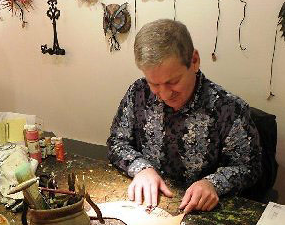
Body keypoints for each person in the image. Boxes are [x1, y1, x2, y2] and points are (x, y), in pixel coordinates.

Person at [107, 19, 262, 214]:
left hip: (200, 211)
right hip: (148, 205)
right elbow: (117, 143)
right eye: (154, 84)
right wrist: (142, 168)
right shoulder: (138, 92)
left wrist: (212, 184)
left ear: (194, 61)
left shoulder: (228, 109)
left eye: (173, 81)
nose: (164, 94)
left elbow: (250, 167)